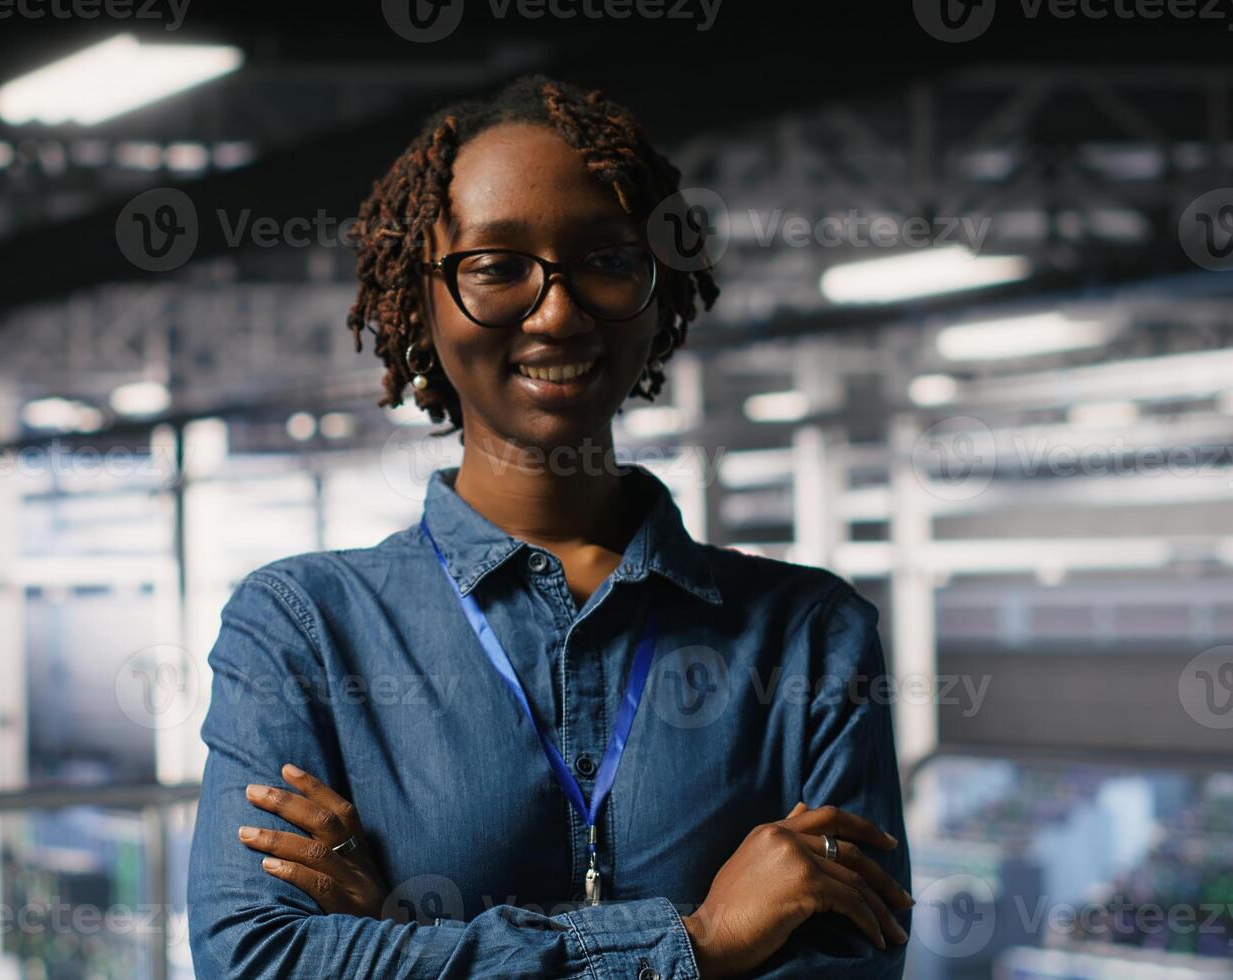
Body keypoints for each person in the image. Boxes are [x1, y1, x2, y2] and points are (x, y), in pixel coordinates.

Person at [186, 74, 912, 978]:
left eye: (607, 259)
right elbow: (258, 962)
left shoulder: (811, 637)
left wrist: (398, 946)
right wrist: (702, 944)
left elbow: (849, 968)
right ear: (424, 299)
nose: (558, 311)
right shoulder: (301, 627)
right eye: (496, 267)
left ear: (659, 289)